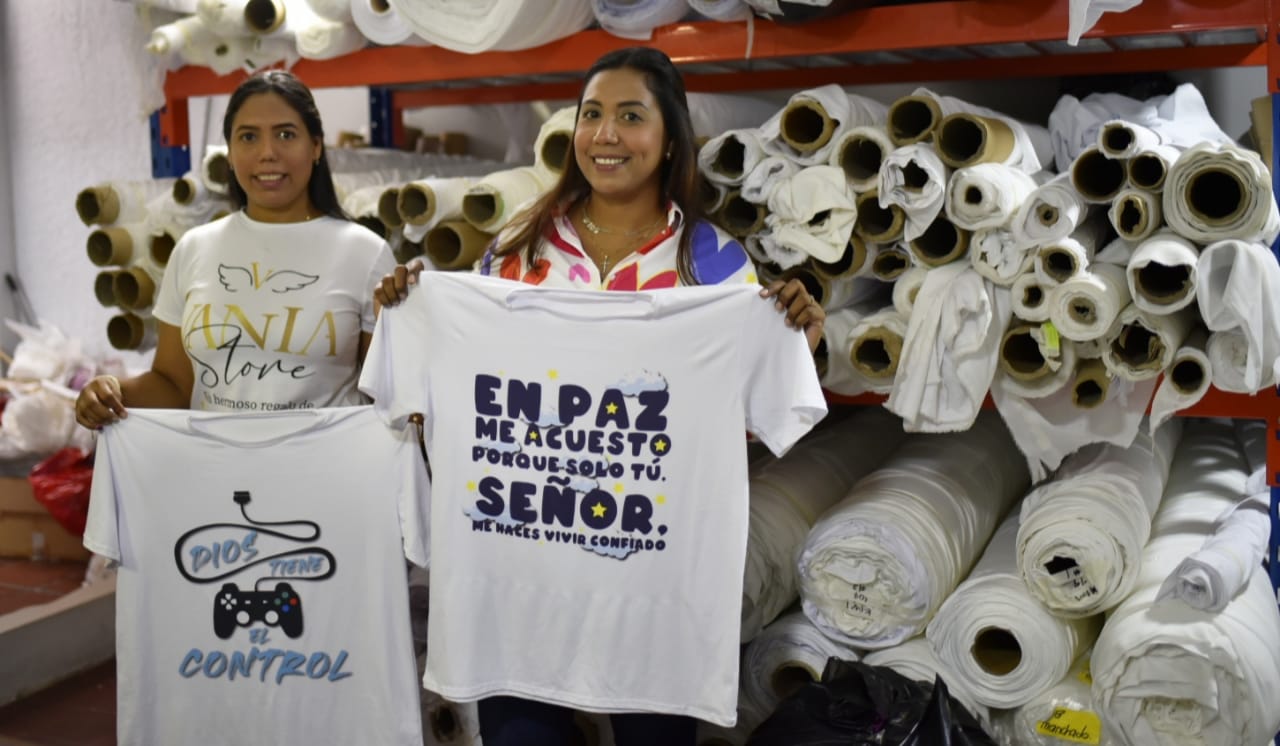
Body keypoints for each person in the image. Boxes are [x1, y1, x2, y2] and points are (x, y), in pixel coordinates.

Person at [374, 46, 825, 746]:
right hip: (519, 581)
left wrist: (796, 338)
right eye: (591, 115)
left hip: (651, 593)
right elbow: (447, 393)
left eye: (630, 116)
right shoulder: (514, 255)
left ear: (670, 135)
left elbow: (746, 423)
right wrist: (413, 306)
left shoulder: (715, 266)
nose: (605, 134)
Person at [75, 69, 395, 429]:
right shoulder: (194, 249)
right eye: (248, 137)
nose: (267, 153)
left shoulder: (364, 254)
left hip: (324, 474)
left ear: (316, 147)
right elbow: (175, 385)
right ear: (228, 153)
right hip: (220, 474)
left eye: (286, 135)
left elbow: (387, 396)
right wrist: (112, 392)